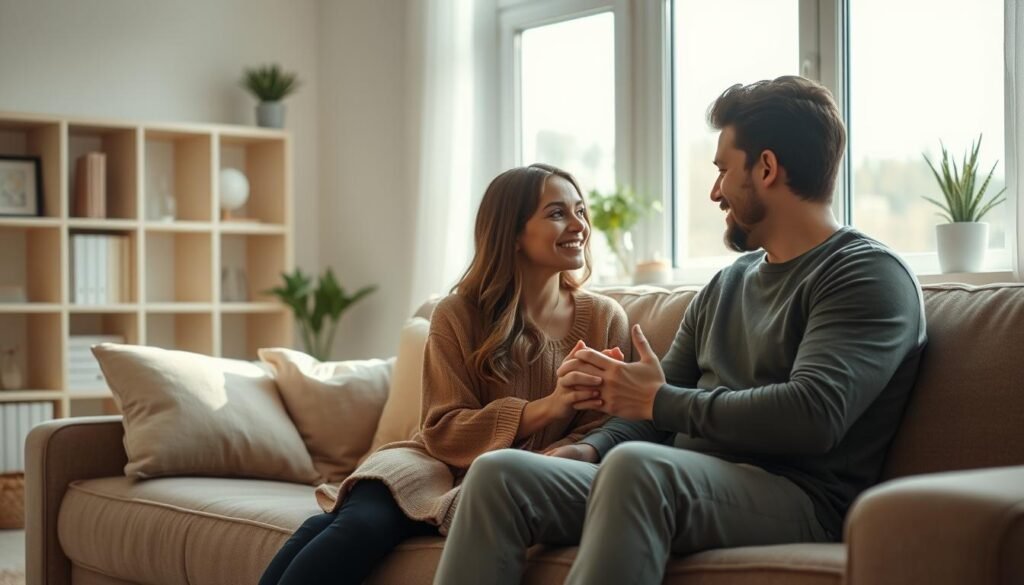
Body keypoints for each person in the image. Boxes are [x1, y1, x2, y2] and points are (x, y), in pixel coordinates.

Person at [434, 76, 928, 585]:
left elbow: (813, 414)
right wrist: (588, 449)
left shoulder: (865, 274)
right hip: (673, 479)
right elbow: (646, 411)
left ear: (766, 168)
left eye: (722, 171)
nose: (715, 192)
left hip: (795, 496)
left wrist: (660, 403)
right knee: (501, 476)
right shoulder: (727, 284)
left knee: (637, 469)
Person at [258, 163, 632, 585]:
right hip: (429, 463)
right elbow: (441, 430)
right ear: (512, 234)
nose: (579, 225)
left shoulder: (605, 319)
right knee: (360, 526)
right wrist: (547, 408)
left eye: (580, 211)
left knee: (325, 528)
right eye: (557, 213)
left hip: (506, 481)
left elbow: (604, 427)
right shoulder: (458, 314)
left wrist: (560, 450)